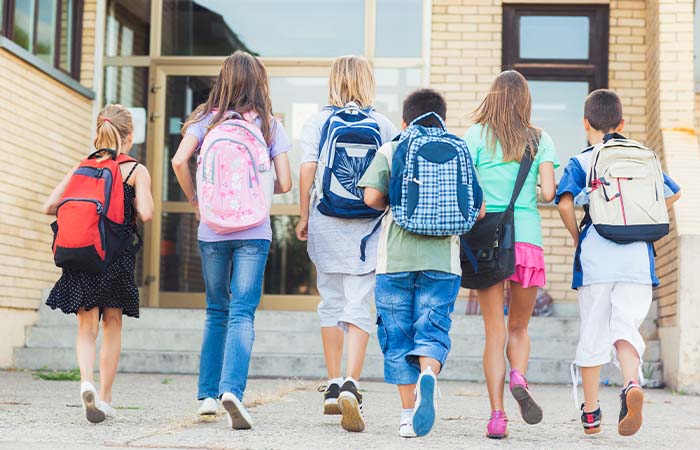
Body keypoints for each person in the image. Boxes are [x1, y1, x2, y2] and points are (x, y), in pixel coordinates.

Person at [172, 51, 292, 429]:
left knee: (215, 310)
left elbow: (178, 161)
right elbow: (286, 183)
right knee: (242, 311)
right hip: (254, 232)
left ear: (222, 80)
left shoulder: (205, 120)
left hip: (212, 230)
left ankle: (207, 395)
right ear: (260, 82)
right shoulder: (270, 125)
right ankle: (232, 392)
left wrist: (196, 201)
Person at [359, 88, 483, 438]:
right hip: (443, 261)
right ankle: (429, 373)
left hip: (395, 260)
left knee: (397, 337)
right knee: (432, 330)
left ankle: (405, 415)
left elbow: (371, 196)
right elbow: (479, 207)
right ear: (442, 116)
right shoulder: (460, 148)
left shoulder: (394, 147)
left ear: (405, 119)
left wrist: (394, 201)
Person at [556, 89, 681, 437]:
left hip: (597, 256)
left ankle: (592, 414)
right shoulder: (645, 157)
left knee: (594, 331)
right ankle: (630, 385)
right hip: (638, 259)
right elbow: (675, 192)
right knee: (625, 328)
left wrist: (577, 237)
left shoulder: (581, 160)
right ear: (622, 123)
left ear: (585, 124)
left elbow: (565, 204)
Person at [295, 55, 398, 433]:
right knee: (359, 302)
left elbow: (307, 168)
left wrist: (303, 215)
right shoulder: (383, 124)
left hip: (326, 220)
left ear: (333, 81)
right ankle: (352, 385)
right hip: (368, 228)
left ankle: (333, 382)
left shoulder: (319, 121)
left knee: (330, 301)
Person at [44, 104, 154, 424]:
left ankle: (85, 382)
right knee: (112, 325)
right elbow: (145, 213)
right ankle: (104, 398)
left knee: (85, 328)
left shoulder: (83, 167)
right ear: (129, 136)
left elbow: (49, 205)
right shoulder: (134, 170)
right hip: (115, 257)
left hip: (82, 254)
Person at [463, 70, 558, 439]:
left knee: (493, 331)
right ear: (525, 101)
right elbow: (549, 193)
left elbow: (468, 188)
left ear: (493, 97)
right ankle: (519, 374)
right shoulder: (540, 138)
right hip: (527, 241)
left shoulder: (474, 136)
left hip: (487, 241)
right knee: (519, 326)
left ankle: (497, 416)